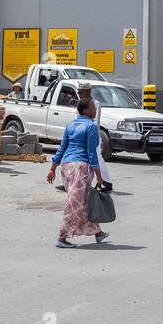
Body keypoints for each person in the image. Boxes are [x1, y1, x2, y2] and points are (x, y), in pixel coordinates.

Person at [46, 98, 109, 248]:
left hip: (66, 166)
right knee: (74, 203)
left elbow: (62, 148)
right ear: (86, 111)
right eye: (93, 107)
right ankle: (62, 238)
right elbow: (91, 154)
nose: (95, 109)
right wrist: (99, 176)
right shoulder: (91, 127)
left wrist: (53, 168)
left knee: (84, 200)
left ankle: (97, 232)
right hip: (80, 168)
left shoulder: (71, 125)